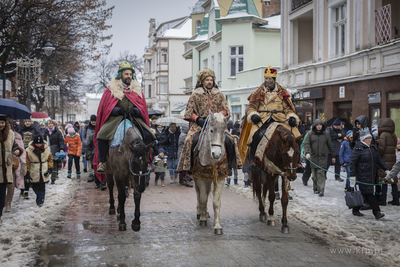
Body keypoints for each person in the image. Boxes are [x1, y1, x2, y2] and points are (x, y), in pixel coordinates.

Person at [94, 61, 155, 176]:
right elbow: (106, 108)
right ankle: (102, 162)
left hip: (133, 118)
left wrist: (135, 111)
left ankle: (145, 162)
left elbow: (142, 108)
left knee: (149, 136)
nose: (129, 76)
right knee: (101, 135)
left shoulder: (137, 89)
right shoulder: (111, 89)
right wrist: (117, 110)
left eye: (130, 74)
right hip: (116, 119)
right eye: (126, 74)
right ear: (121, 74)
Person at [242, 66, 300, 169]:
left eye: (270, 79)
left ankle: (297, 161)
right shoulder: (257, 92)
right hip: (263, 118)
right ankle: (253, 160)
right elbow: (251, 107)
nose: (268, 81)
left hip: (280, 118)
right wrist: (254, 115)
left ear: (274, 79)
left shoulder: (282, 92)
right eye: (266, 78)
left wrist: (291, 116)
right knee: (255, 135)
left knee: (295, 135)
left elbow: (288, 109)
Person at [177, 68, 230, 173]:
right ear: (202, 82)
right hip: (199, 125)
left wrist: (218, 115)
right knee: (189, 140)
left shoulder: (219, 95)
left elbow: (226, 109)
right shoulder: (195, 95)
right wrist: (198, 119)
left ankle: (231, 165)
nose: (209, 82)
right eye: (207, 80)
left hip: (216, 125)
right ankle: (190, 166)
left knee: (230, 140)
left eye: (211, 80)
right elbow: (188, 112)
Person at [350, 128, 388, 219]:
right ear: (363, 139)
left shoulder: (373, 148)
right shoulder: (358, 149)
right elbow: (352, 163)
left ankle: (355, 209)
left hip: (371, 176)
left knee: (363, 194)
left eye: (370, 138)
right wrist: (352, 176)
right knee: (369, 194)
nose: (369, 140)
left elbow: (379, 160)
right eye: (367, 139)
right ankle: (377, 212)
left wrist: (386, 170)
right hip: (361, 176)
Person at [303, 119, 335, 197]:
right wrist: (307, 153)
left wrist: (333, 156)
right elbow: (306, 144)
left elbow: (330, 146)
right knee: (314, 175)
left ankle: (321, 190)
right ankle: (316, 189)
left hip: (323, 157)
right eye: (317, 125)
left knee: (321, 174)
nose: (319, 126)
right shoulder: (310, 134)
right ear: (315, 126)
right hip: (313, 157)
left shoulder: (326, 134)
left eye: (320, 125)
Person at [0, 115, 22, 222]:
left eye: (3, 123)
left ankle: (3, 209)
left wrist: (17, 150)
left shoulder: (11, 134)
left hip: (7, 166)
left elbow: (15, 146)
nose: (1, 125)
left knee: (5, 190)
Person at [25, 135, 53, 207]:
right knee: (34, 185)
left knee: (42, 186)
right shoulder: (28, 150)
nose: (38, 145)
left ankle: (40, 201)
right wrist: (27, 172)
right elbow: (27, 161)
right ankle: (39, 196)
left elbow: (50, 159)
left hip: (44, 169)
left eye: (40, 143)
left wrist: (50, 169)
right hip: (34, 170)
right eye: (37, 143)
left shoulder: (47, 149)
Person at [4, 121, 26, 213]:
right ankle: (3, 200)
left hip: (11, 163)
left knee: (10, 184)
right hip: (1, 163)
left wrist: (23, 162)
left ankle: (8, 202)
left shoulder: (15, 136)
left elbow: (20, 149)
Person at [376, 118, 398, 206]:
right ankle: (396, 199)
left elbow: (381, 148)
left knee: (384, 180)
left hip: (384, 160)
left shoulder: (383, 135)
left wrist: (378, 157)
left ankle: (383, 199)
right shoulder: (393, 135)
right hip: (392, 160)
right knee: (393, 180)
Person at [177, 122, 192, 187]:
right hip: (184, 154)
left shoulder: (182, 134)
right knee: (186, 167)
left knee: (182, 168)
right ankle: (187, 181)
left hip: (182, 153)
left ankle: (181, 180)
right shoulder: (185, 135)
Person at [82, 115, 96, 183]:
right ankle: (91, 175)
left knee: (96, 161)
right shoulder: (86, 127)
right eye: (92, 121)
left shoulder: (98, 126)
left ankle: (96, 174)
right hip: (88, 146)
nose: (93, 122)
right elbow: (83, 136)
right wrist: (85, 142)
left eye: (94, 121)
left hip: (95, 146)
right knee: (90, 160)